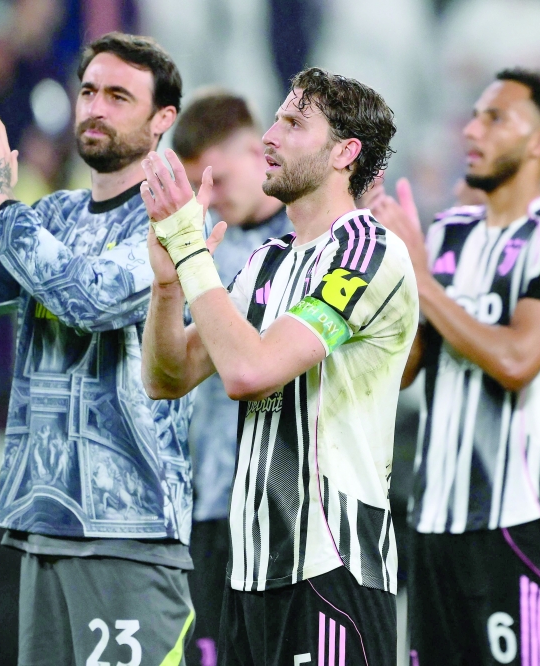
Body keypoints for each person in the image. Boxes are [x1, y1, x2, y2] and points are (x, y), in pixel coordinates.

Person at [0, 33, 197, 665]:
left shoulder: (173, 221)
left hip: (130, 534)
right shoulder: (53, 218)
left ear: (162, 120)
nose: (96, 107)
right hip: (44, 528)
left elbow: (90, 301)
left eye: (119, 96)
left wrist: (4, 204)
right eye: (89, 91)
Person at [139, 67, 415, 665]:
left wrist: (190, 251)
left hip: (332, 563)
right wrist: (167, 286)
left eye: (292, 123)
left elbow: (250, 372)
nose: (268, 136)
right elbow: (167, 378)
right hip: (251, 568)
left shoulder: (369, 251)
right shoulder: (266, 262)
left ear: (345, 152)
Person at [374, 68, 540, 666]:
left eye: (496, 117)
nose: (472, 129)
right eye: (475, 115)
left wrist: (422, 280)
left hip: (519, 519)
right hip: (432, 518)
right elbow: (404, 374)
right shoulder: (450, 232)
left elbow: (516, 359)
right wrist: (400, 282)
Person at [169, 89, 292, 666]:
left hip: (298, 508)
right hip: (216, 502)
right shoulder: (203, 251)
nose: (209, 200)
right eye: (199, 187)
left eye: (215, 181)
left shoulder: (316, 243)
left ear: (253, 147)